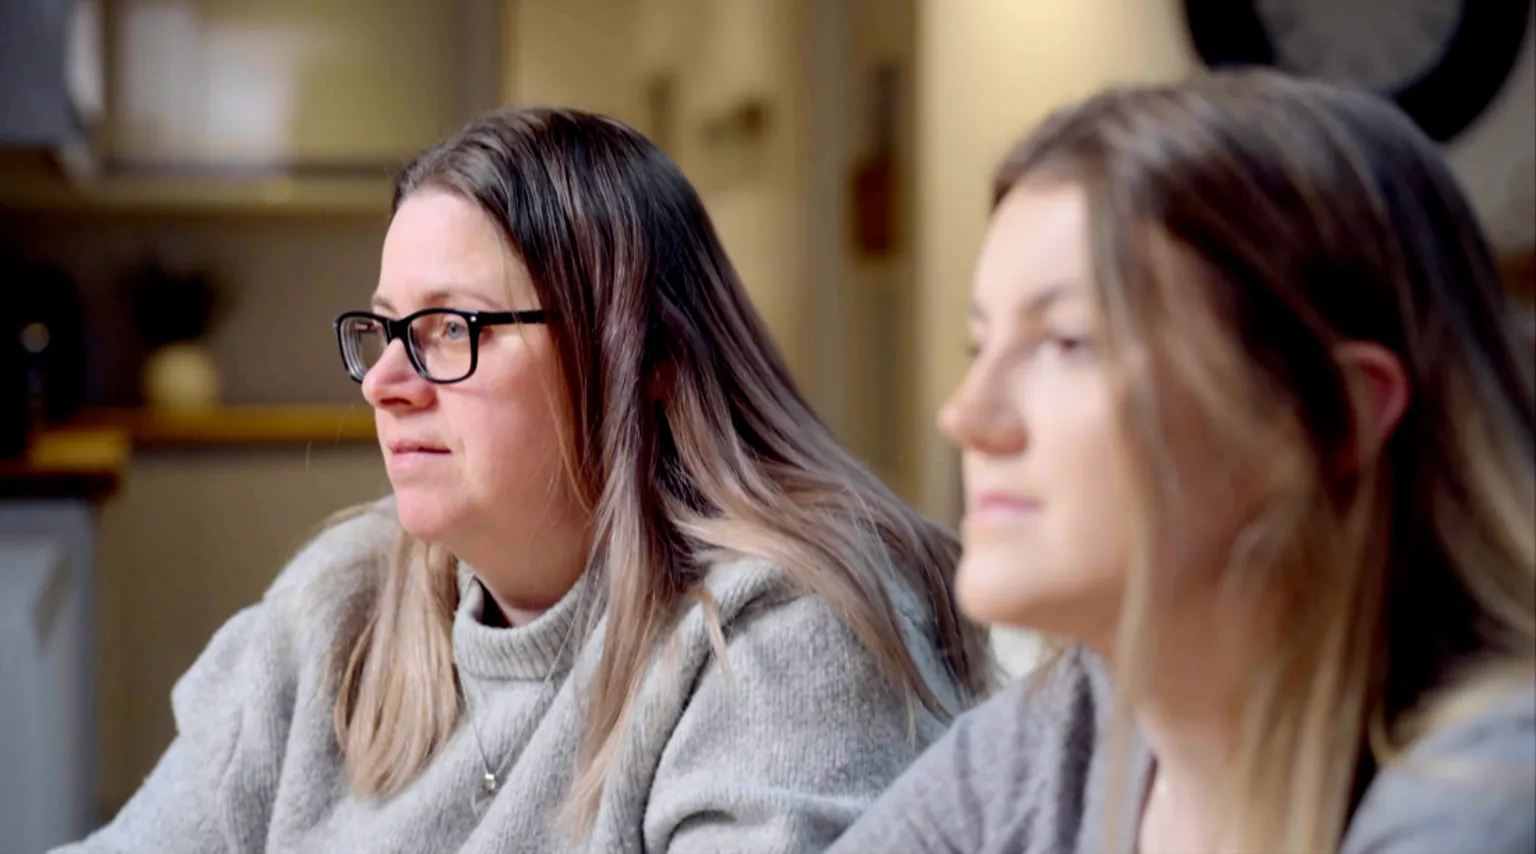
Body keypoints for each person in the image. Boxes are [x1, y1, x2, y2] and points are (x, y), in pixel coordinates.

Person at [54, 107, 993, 854]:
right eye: (384, 329)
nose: (385, 382)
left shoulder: (780, 642)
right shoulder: (341, 606)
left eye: (450, 328)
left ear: (643, 357)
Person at [828, 69, 1535, 854]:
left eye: (1066, 343)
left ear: (1333, 418)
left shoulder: (1490, 795)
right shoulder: (1072, 730)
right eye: (980, 343)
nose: (964, 415)